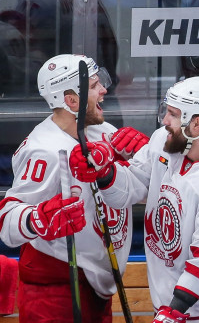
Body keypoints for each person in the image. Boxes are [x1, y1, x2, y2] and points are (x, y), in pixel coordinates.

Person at [68, 76, 199, 322]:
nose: (164, 120)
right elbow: (132, 187)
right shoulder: (164, 141)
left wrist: (174, 310)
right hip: (169, 302)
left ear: (197, 123)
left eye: (172, 114)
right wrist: (105, 171)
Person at [0, 54, 133, 322]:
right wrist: (40, 218)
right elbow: (7, 222)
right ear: (72, 101)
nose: (105, 89)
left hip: (98, 282)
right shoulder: (44, 150)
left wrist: (143, 155)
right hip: (57, 287)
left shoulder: (101, 130)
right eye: (96, 85)